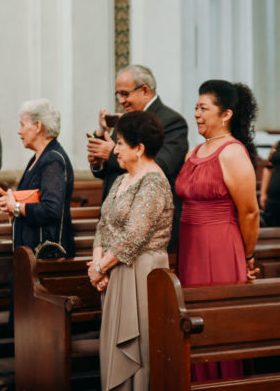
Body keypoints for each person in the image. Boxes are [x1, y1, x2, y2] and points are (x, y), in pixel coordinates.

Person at [175, 79, 259, 381]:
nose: (196, 114)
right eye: (196, 107)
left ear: (226, 114)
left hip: (220, 245)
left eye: (203, 108)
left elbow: (249, 212)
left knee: (213, 317)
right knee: (190, 315)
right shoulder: (195, 151)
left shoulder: (233, 152)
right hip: (190, 244)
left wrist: (247, 257)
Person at [88, 111, 173, 391]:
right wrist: (97, 265)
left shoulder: (154, 182)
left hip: (142, 273)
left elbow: (133, 237)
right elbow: (103, 225)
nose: (115, 150)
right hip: (115, 270)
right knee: (113, 346)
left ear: (139, 148)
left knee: (138, 350)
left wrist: (100, 267)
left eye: (121, 144)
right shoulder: (120, 180)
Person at [87, 65, 188, 251]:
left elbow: (162, 165)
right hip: (115, 226)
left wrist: (110, 153)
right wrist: (99, 163)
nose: (121, 101)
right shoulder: (127, 120)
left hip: (147, 227)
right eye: (117, 95)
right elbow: (113, 169)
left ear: (145, 90)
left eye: (125, 94)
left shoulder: (172, 121)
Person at [0, 99, 76, 258]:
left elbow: (51, 209)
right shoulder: (38, 158)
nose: (19, 131)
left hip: (48, 255)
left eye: (22, 125)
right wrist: (12, 202)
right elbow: (34, 197)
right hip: (32, 251)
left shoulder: (53, 159)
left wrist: (16, 207)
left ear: (38, 126)